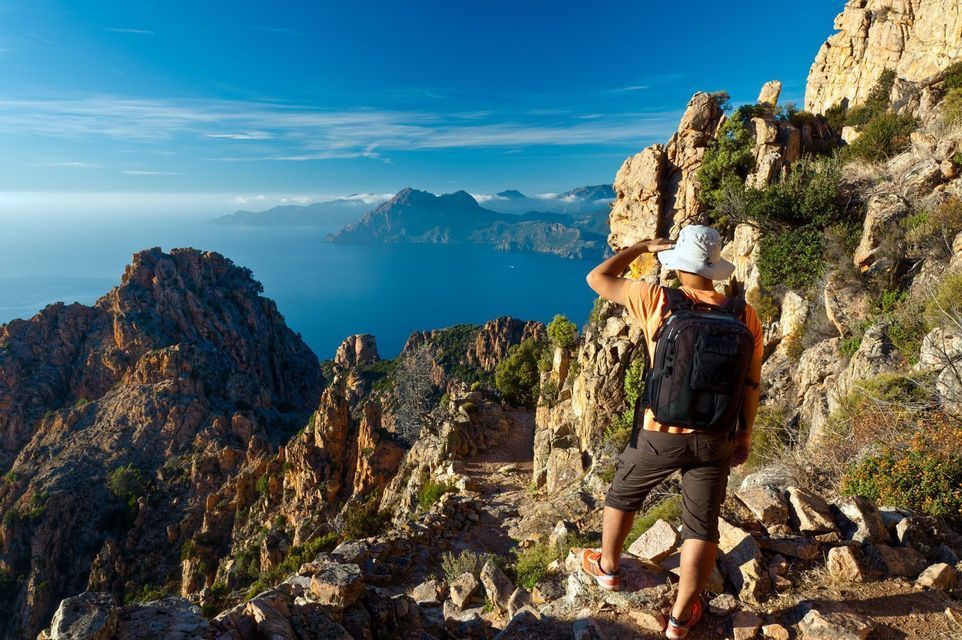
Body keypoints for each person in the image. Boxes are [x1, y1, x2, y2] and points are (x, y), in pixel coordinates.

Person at [582, 225, 764, 639]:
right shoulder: (745, 314)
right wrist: (744, 436)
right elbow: (751, 383)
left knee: (623, 494)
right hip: (716, 437)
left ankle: (608, 568)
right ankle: (682, 618)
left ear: (678, 263)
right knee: (702, 525)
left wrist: (642, 247)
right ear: (715, 269)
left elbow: (597, 278)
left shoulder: (658, 299)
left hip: (660, 433)